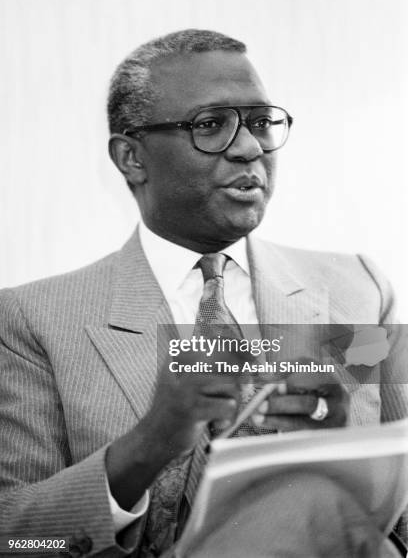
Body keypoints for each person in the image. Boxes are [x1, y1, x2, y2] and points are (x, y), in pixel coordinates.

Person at [0, 29, 407, 558]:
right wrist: (149, 445)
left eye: (261, 123)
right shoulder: (34, 321)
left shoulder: (358, 290)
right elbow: (17, 538)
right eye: (210, 125)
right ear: (131, 158)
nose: (249, 147)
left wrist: (346, 452)